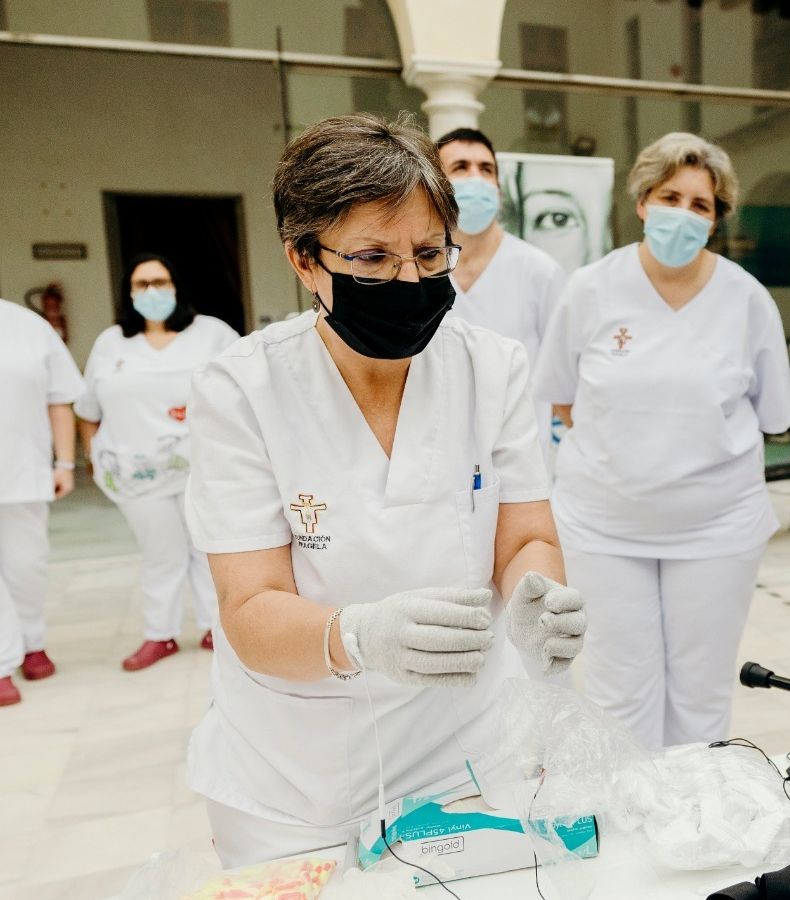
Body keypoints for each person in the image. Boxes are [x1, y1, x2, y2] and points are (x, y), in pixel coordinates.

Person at [183, 113, 587, 865]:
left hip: (467, 751)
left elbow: (525, 535)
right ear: (304, 259)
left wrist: (539, 593)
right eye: (373, 257)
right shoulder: (243, 389)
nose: (408, 280)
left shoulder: (489, 366)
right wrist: (357, 636)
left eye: (429, 253)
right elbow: (249, 607)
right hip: (300, 776)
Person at [530, 131, 790, 750]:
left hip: (717, 530)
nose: (683, 213)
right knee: (620, 690)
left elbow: (773, 415)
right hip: (605, 527)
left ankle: (694, 808)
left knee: (701, 693)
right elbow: (562, 397)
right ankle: (633, 806)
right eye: (670, 197)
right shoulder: (590, 288)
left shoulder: (747, 299)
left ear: (717, 219)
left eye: (700, 204)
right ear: (643, 202)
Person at [76, 254, 240, 671]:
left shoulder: (211, 333)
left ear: (176, 286)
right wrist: (93, 456)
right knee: (160, 553)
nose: (152, 291)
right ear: (129, 293)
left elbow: (243, 393)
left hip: (202, 468)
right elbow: (88, 409)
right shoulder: (111, 342)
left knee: (208, 549)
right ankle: (159, 634)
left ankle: (216, 627)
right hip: (135, 475)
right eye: (142, 284)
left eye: (160, 282)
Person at [436, 128, 568, 467]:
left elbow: (565, 377)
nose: (476, 178)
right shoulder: (419, 270)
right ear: (436, 184)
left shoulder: (539, 271)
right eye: (460, 167)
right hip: (439, 457)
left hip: (521, 461)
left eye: (486, 169)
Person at [0, 299, 82, 706]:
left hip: (22, 469)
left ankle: (33, 641)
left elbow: (59, 399)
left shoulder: (28, 326)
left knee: (26, 565)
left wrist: (64, 462)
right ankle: (3, 663)